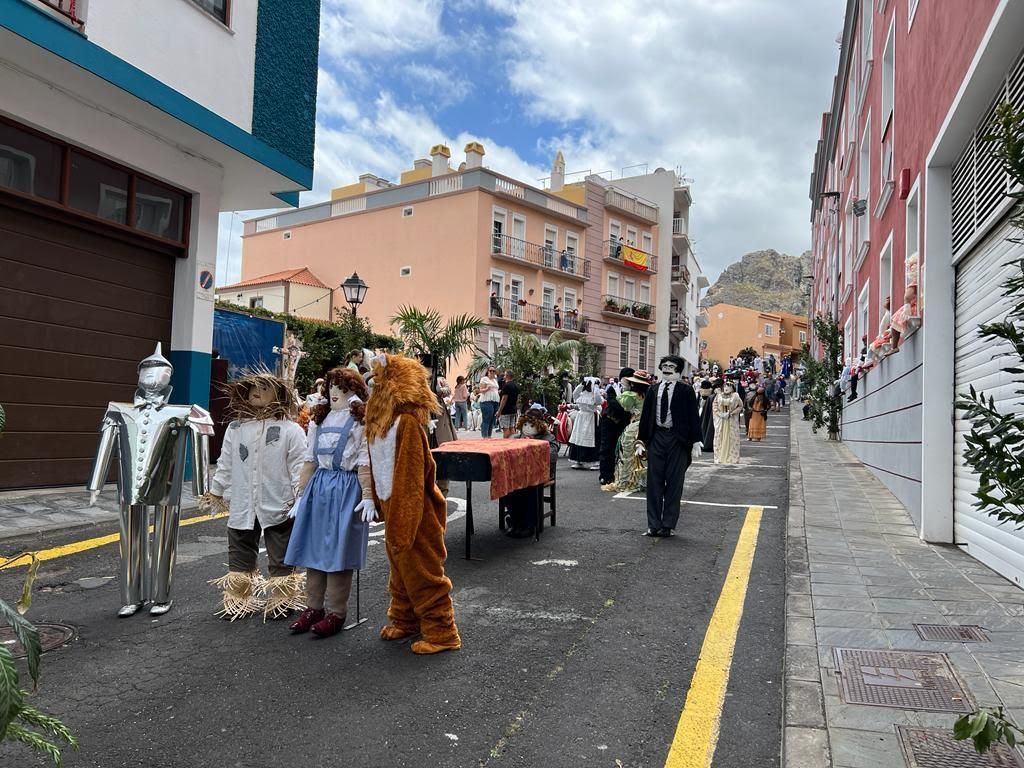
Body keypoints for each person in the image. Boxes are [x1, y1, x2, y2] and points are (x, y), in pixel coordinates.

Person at [365, 353, 461, 655]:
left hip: (415, 512)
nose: (372, 386)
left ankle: (442, 632)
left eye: (379, 382)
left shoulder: (405, 423)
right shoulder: (383, 423)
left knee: (423, 573)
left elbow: (409, 477)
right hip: (396, 507)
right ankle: (405, 619)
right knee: (400, 572)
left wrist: (403, 524)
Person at [205, 371, 307, 622]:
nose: (256, 392)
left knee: (280, 551)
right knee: (239, 545)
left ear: (279, 394)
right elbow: (225, 462)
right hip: (243, 501)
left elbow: (298, 467)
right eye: (252, 388)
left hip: (279, 501)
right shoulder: (235, 428)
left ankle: (282, 601)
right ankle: (239, 599)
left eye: (264, 387)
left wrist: (300, 497)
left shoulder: (290, 430)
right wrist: (217, 490)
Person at [284, 368, 373, 638]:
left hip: (347, 489)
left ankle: (337, 612)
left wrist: (368, 495)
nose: (335, 393)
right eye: (332, 387)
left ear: (353, 391)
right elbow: (309, 460)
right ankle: (314, 607)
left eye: (342, 388)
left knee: (338, 551)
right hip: (319, 488)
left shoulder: (360, 422)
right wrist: (300, 496)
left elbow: (364, 460)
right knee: (312, 548)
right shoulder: (318, 420)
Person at [636, 355, 701, 537]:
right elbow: (645, 417)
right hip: (657, 437)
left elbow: (693, 416)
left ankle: (668, 525)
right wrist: (641, 441)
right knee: (654, 482)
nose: (667, 368)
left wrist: (696, 440)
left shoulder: (686, 391)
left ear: (678, 370)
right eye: (664, 365)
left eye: (671, 366)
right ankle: (653, 525)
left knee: (674, 483)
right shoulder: (653, 389)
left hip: (677, 439)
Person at [612, 370, 652, 492]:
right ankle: (644, 480)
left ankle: (627, 481)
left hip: (635, 426)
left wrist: (620, 392)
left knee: (628, 454)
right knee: (644, 454)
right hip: (648, 426)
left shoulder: (631, 395)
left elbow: (626, 406)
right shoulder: (649, 395)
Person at [599, 367, 635, 486]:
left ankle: (619, 475)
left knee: (622, 449)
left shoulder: (633, 391)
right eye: (627, 378)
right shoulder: (613, 389)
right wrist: (627, 406)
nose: (629, 381)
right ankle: (605, 475)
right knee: (607, 448)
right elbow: (614, 405)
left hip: (623, 423)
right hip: (609, 421)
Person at [569, 377, 603, 469]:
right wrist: (582, 384)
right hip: (581, 418)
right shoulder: (581, 394)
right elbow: (574, 393)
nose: (588, 386)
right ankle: (579, 460)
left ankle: (596, 461)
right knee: (578, 438)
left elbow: (598, 400)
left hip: (591, 418)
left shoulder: (596, 395)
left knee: (593, 440)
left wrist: (596, 386)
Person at [712, 380, 744, 465]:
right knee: (720, 438)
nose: (726, 388)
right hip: (721, 421)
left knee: (732, 438)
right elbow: (714, 407)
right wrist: (721, 414)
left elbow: (740, 406)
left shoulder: (735, 396)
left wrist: (732, 413)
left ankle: (732, 458)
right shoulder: (718, 395)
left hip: (731, 420)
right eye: (725, 386)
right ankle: (719, 457)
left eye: (729, 386)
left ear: (732, 388)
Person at [478, 366, 501, 438]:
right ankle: (485, 436)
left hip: (495, 401)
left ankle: (489, 435)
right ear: (487, 371)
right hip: (486, 401)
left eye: (494, 371)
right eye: (490, 370)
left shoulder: (495, 380)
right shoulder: (484, 379)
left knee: (492, 419)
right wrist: (487, 388)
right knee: (487, 418)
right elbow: (481, 390)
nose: (492, 372)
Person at [497, 370, 520, 438]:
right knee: (511, 426)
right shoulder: (516, 385)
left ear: (507, 376)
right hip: (513, 409)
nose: (503, 376)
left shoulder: (506, 386)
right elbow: (517, 398)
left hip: (506, 410)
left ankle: (506, 442)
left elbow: (504, 399)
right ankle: (513, 442)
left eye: (504, 375)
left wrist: (499, 411)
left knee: (506, 428)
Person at [697, 379, 715, 453]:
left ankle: (700, 442)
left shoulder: (700, 391)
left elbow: (697, 400)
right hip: (708, 410)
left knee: (700, 426)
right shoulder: (711, 392)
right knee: (706, 426)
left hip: (700, 408)